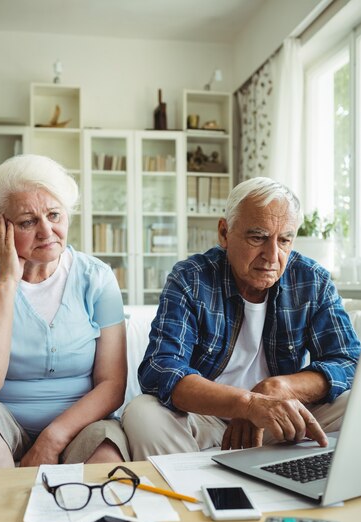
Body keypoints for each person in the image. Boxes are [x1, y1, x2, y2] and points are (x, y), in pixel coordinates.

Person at [122, 177, 361, 460]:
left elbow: (348, 361)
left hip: (280, 417)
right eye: (257, 237)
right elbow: (160, 368)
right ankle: (194, 493)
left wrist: (278, 388)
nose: (272, 256)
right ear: (224, 232)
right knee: (143, 414)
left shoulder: (312, 280)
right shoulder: (191, 278)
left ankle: (304, 481)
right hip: (205, 419)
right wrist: (246, 404)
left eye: (284, 240)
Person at [0, 154, 129, 501]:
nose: (47, 231)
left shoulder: (97, 278)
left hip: (79, 424)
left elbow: (112, 384)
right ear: (0, 227)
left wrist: (52, 438)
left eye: (54, 215)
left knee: (106, 458)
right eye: (28, 221)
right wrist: (6, 282)